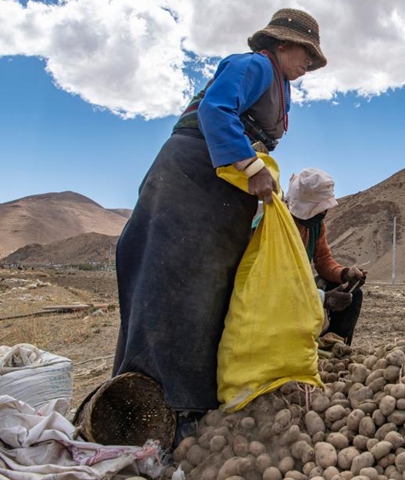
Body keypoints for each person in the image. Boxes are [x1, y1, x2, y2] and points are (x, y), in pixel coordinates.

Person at [113, 8, 328, 437]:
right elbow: (216, 110)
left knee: (210, 287)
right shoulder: (253, 65)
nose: (309, 63)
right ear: (282, 44)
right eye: (306, 53)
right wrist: (251, 166)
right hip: (191, 177)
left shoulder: (279, 83)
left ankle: (194, 400)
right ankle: (158, 405)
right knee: (172, 283)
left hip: (220, 186)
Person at [284, 168, 367, 346]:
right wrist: (323, 298)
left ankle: (335, 348)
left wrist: (345, 274)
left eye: (324, 209)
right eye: (318, 209)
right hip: (278, 293)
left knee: (352, 294)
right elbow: (277, 284)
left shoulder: (315, 226)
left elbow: (323, 260)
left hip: (302, 288)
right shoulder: (276, 224)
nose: (323, 214)